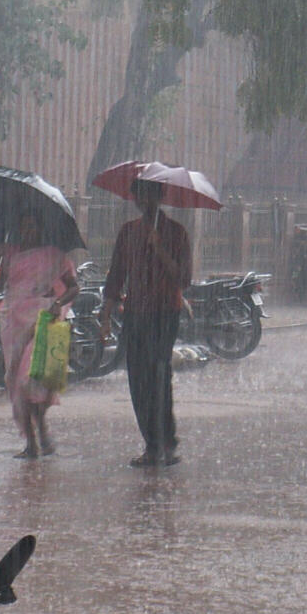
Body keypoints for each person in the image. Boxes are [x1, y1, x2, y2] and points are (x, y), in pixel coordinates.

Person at [100, 178, 191, 467]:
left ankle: (167, 443)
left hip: (165, 313)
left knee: (159, 377)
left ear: (160, 197)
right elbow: (117, 274)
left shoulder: (176, 233)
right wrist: (106, 311)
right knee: (138, 381)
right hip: (136, 313)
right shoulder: (128, 233)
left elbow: (183, 279)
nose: (145, 202)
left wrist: (160, 248)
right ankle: (151, 444)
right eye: (140, 196)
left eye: (150, 196)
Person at [0, 209, 78, 460]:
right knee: (17, 384)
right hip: (13, 325)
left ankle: (41, 431)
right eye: (24, 227)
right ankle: (33, 441)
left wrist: (58, 303)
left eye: (33, 226)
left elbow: (73, 288)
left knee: (33, 380)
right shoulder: (9, 253)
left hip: (43, 322)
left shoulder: (54, 256)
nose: (28, 232)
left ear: (40, 229)